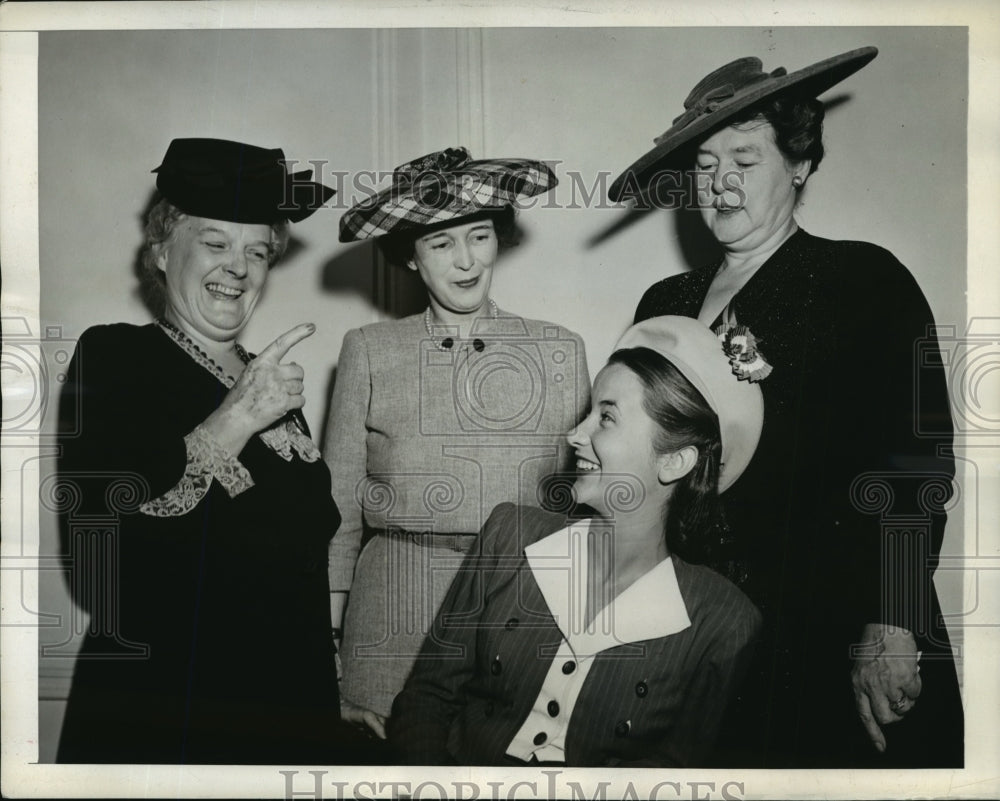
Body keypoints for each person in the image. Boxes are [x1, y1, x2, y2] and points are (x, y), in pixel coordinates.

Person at [609, 47, 963, 767]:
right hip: (698, 631)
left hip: (837, 626)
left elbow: (915, 462)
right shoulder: (663, 305)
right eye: (705, 167)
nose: (722, 183)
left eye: (744, 158)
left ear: (799, 163)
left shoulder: (862, 279)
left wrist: (892, 620)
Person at [54, 137, 367, 764]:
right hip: (173, 704)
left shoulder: (266, 377)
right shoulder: (117, 356)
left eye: (257, 251)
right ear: (164, 249)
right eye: (216, 243)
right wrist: (238, 416)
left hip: (287, 701)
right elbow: (100, 553)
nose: (240, 268)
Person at [389, 316, 763, 766]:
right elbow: (426, 698)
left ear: (674, 461)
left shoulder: (724, 621)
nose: (575, 435)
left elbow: (676, 778)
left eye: (606, 417)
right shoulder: (510, 535)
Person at [326, 146, 590, 737]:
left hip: (517, 610)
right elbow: (340, 504)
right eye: (440, 243)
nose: (466, 261)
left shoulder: (560, 350)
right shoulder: (369, 349)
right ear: (410, 259)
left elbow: (579, 507)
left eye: (478, 236)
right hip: (394, 613)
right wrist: (337, 644)